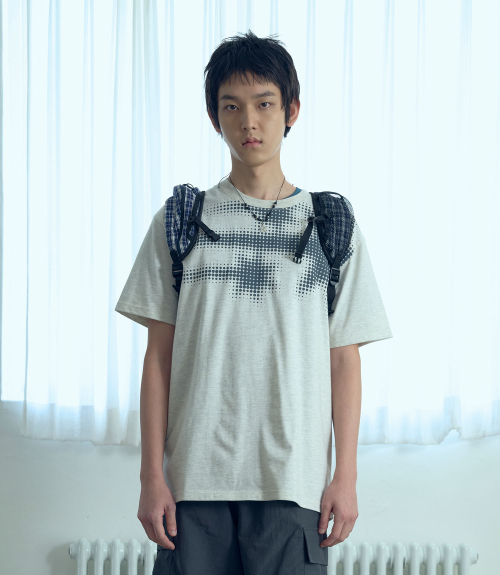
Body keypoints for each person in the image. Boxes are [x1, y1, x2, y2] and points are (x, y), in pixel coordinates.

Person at [115, 30, 392, 575]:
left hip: (294, 483)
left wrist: (346, 476)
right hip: (194, 485)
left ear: (291, 110)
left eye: (265, 104)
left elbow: (344, 359)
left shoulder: (330, 224)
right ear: (214, 117)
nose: (249, 122)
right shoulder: (181, 221)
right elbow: (158, 358)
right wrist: (151, 478)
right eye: (232, 107)